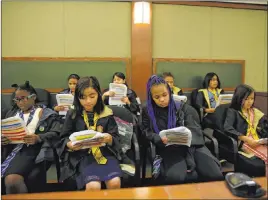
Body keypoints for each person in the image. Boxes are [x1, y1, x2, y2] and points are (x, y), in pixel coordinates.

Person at [141, 75, 223, 185]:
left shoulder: (181, 106)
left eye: (165, 95)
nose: (162, 99)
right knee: (175, 178)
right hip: (168, 148)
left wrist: (186, 139)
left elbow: (194, 128)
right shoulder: (147, 110)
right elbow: (145, 130)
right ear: (151, 97)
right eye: (156, 97)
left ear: (169, 92)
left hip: (193, 146)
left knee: (214, 174)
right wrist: (157, 138)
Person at [58, 76, 124, 191]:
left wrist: (109, 138)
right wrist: (69, 144)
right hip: (82, 156)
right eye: (82, 97)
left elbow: (116, 137)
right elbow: (63, 138)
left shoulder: (107, 113)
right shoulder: (72, 114)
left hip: (105, 154)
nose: (88, 101)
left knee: (114, 183)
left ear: (98, 94)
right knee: (93, 185)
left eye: (92, 96)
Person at [1, 81, 61, 194]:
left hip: (32, 150)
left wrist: (38, 137)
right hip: (10, 149)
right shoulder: (11, 114)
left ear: (33, 97)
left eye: (23, 98)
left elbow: (56, 133)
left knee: (12, 180)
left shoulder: (46, 113)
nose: (19, 102)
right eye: (16, 99)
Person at [224, 84, 268, 177]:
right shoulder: (233, 111)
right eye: (246, 99)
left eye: (252, 99)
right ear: (239, 98)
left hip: (258, 140)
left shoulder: (255, 111)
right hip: (246, 142)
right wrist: (246, 139)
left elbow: (264, 126)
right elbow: (228, 128)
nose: (250, 102)